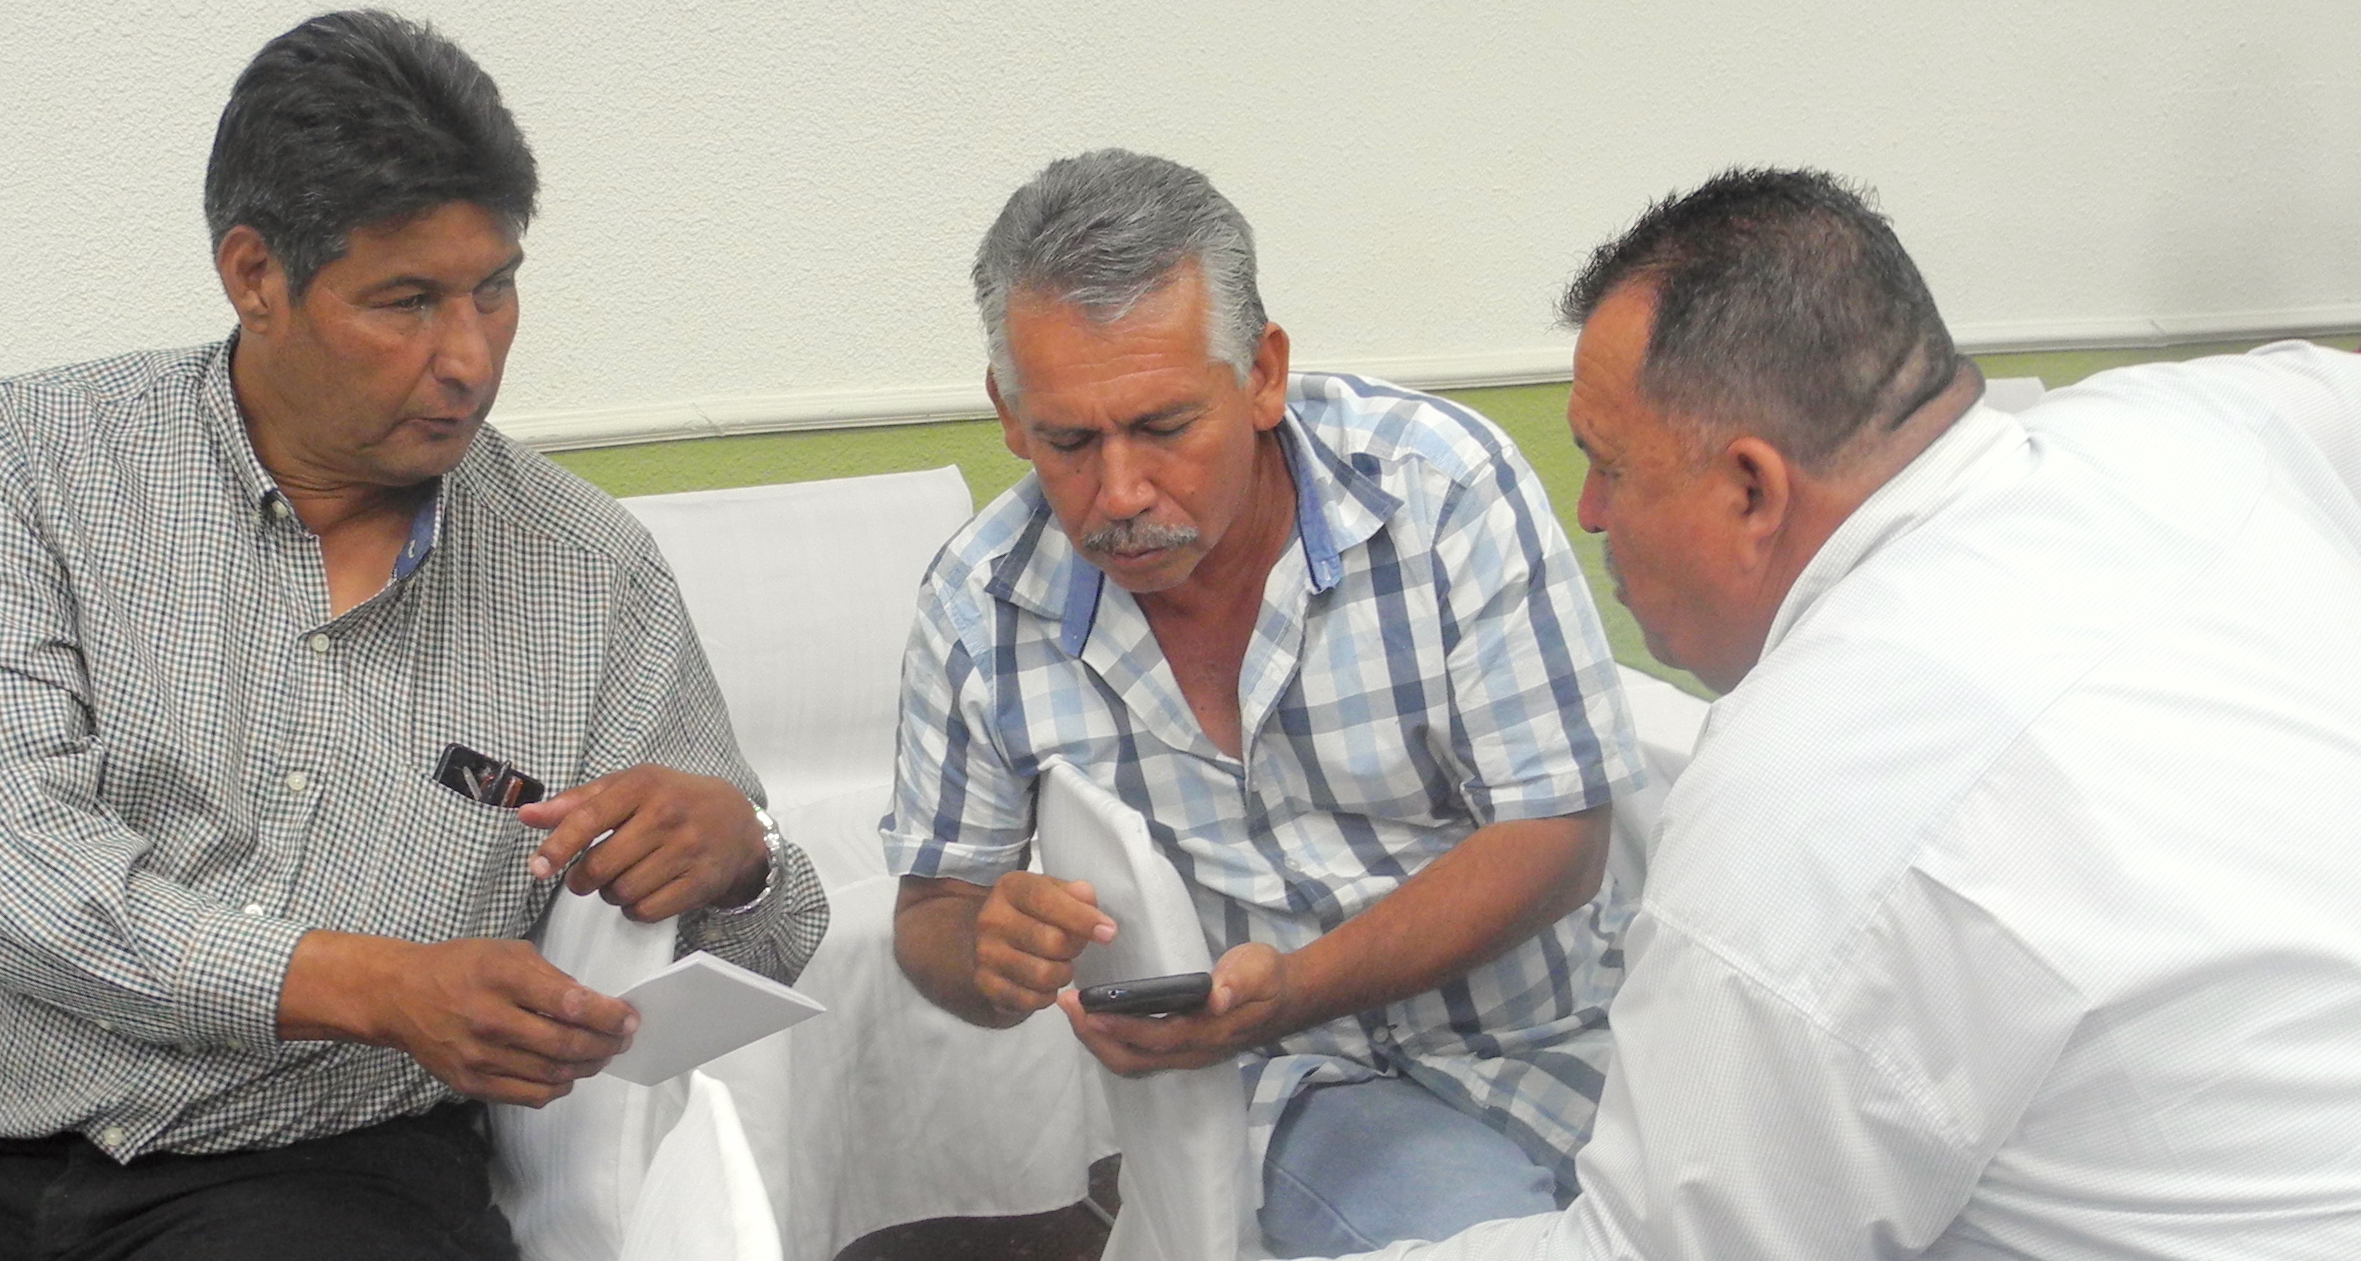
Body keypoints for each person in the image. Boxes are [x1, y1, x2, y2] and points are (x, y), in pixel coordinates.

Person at [0, 10, 827, 1261]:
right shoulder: (20, 469)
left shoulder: (590, 574)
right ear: (254, 276)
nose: (467, 359)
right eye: (404, 301)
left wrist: (741, 855)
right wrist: (385, 989)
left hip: (337, 1178)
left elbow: (765, 945)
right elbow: (18, 888)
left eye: (494, 289)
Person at [1325, 169, 2361, 1259]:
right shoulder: (2193, 430)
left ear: (1750, 491)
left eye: (1605, 465)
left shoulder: (1804, 814)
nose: (1585, 513)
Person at [884, 149, 1650, 1254]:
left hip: (1574, 1038)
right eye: (1067, 441)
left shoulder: (1439, 486)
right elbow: (931, 915)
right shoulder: (979, 604)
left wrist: (1292, 983)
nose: (1120, 492)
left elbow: (1559, 836)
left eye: (1162, 427)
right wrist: (985, 953)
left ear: (1262, 374)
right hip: (1286, 1088)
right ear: (1007, 413)